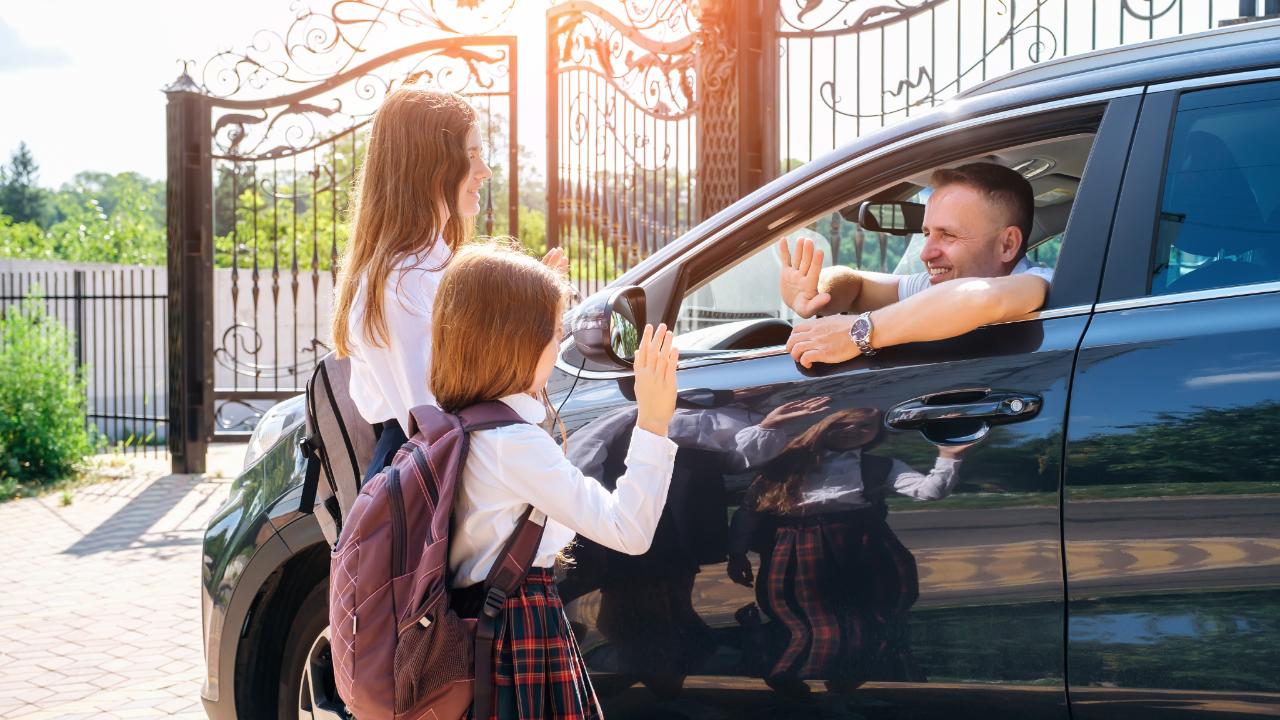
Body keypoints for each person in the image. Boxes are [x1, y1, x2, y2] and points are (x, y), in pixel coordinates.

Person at [431, 243, 679, 719]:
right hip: (516, 625)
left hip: (482, 622)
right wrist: (653, 421)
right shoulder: (514, 444)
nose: (558, 342)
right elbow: (629, 528)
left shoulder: (460, 422)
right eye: (553, 331)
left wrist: (529, 293)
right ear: (518, 341)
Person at [329, 86, 565, 482]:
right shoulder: (402, 282)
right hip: (426, 484)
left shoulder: (429, 266)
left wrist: (529, 310)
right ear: (428, 164)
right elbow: (435, 416)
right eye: (470, 155)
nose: (484, 170)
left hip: (441, 465)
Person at [726, 409, 968, 697]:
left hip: (863, 543)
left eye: (865, 425)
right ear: (823, 425)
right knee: (806, 614)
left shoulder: (880, 465)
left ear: (877, 433)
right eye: (843, 423)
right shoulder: (786, 461)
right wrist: (737, 553)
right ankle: (785, 672)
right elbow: (750, 511)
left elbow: (930, 491)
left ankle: (844, 685)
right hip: (798, 544)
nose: (854, 429)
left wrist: (949, 456)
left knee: (871, 615)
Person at [780, 162, 1053, 367]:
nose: (925, 254)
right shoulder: (940, 286)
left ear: (1007, 244)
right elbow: (857, 285)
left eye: (948, 235)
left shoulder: (1043, 282)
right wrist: (817, 288)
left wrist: (858, 333)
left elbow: (983, 298)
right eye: (926, 233)